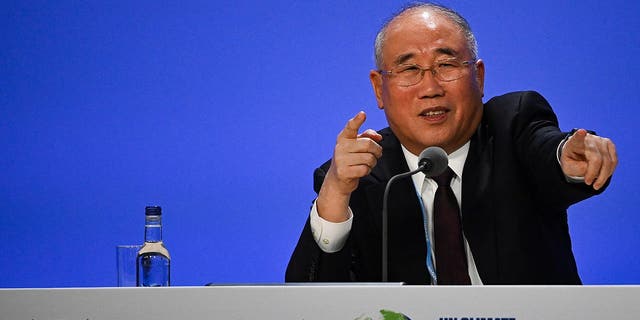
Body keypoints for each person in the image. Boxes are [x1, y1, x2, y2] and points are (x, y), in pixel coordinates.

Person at [285, 2, 618, 285]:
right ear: (378, 89)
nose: (430, 87)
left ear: (479, 76)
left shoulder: (513, 125)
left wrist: (569, 161)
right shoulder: (360, 174)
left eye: (446, 65)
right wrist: (335, 196)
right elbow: (307, 300)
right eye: (410, 69)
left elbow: (547, 151)